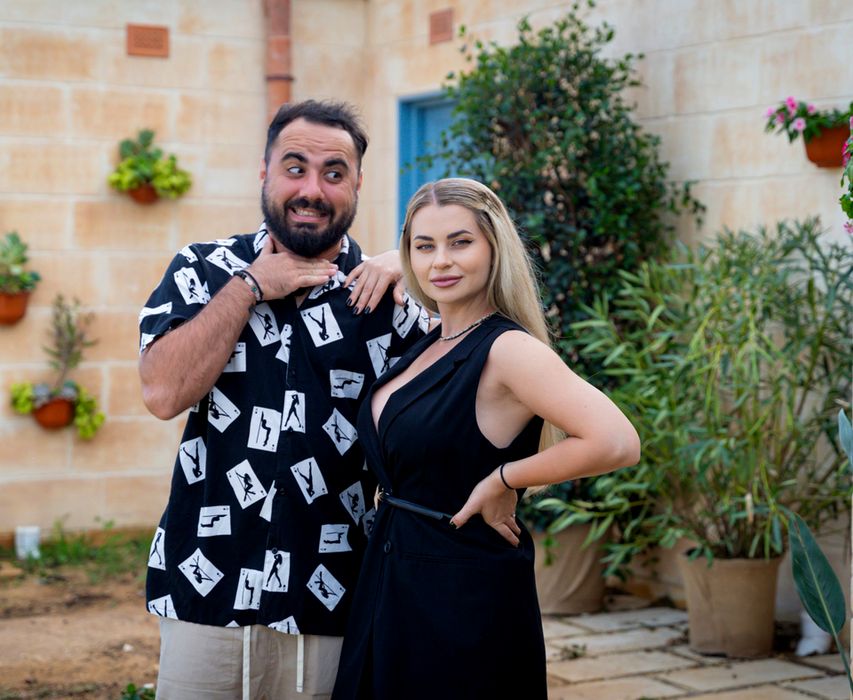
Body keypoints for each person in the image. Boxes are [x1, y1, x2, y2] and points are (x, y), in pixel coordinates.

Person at [138, 100, 428, 700]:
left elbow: (484, 372)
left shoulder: (389, 298)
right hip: (205, 589)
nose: (312, 190)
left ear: (357, 184)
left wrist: (418, 261)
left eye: (333, 173)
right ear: (264, 172)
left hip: (331, 598)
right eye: (295, 167)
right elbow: (163, 393)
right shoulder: (203, 269)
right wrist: (248, 287)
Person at [332, 178, 641, 699]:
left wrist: (504, 478)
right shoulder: (430, 340)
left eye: (461, 242)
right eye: (425, 246)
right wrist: (394, 261)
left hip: (459, 593)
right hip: (391, 575)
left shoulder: (508, 349)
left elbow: (616, 441)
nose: (441, 261)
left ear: (494, 247)